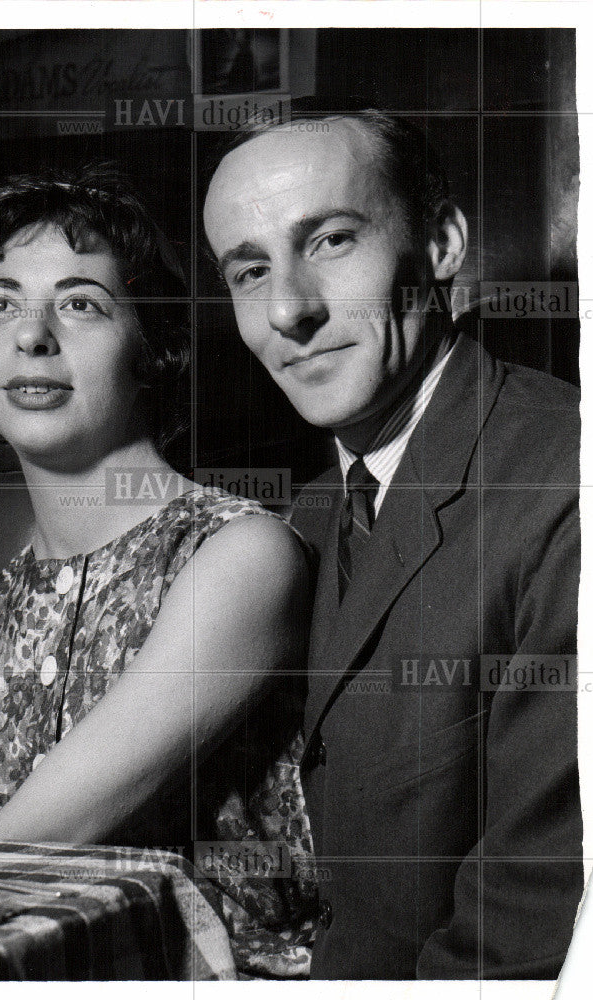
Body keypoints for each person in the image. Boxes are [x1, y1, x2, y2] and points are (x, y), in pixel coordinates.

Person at [203, 112, 583, 979]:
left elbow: (521, 948)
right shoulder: (300, 520)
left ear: (444, 244)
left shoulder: (564, 487)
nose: (289, 309)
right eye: (250, 270)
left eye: (331, 240)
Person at [0, 166, 317, 976]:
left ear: (152, 348)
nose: (31, 336)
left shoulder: (238, 555)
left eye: (79, 303)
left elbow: (0, 853)